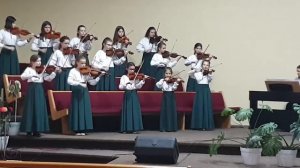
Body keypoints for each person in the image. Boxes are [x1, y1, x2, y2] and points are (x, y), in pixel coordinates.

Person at [20, 55, 56, 136]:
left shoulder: (41, 70)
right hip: (32, 89)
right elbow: (22, 77)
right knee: (31, 108)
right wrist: (32, 75)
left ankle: (37, 130)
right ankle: (29, 129)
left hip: (39, 89)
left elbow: (48, 79)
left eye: (40, 61)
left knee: (39, 108)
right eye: (37, 61)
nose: (39, 63)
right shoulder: (29, 69)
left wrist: (54, 73)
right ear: (32, 62)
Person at [67, 55, 101, 135]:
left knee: (84, 109)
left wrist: (99, 76)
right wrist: (79, 83)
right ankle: (77, 129)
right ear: (77, 62)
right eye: (81, 63)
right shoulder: (73, 71)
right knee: (77, 109)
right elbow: (69, 81)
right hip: (77, 91)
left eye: (84, 63)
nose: (83, 65)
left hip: (85, 92)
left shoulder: (86, 72)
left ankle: (84, 129)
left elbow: (92, 83)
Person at [0, 16, 32, 89]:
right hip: (5, 53)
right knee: (4, 71)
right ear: (9, 23)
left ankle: (13, 91)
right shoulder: (2, 32)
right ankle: (3, 91)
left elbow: (18, 44)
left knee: (13, 71)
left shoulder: (15, 33)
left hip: (13, 53)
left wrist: (27, 40)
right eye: (13, 23)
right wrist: (6, 47)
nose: (15, 25)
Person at [119, 62, 145, 133]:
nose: (132, 71)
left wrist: (142, 82)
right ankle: (126, 128)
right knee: (128, 111)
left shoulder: (135, 77)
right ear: (127, 69)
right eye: (131, 69)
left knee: (135, 111)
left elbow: (137, 87)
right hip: (128, 94)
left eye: (133, 69)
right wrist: (126, 84)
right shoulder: (124, 77)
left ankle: (135, 128)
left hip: (134, 94)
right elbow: (120, 87)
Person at [191, 60, 215, 130]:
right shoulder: (197, 73)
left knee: (207, 106)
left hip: (206, 90)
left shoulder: (208, 74)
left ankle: (207, 125)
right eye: (204, 65)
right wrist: (202, 73)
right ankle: (199, 125)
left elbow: (210, 80)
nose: (205, 66)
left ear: (209, 66)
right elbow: (199, 79)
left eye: (207, 65)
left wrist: (209, 73)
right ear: (202, 66)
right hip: (199, 90)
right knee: (200, 106)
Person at [156, 67, 181, 132]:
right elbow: (158, 85)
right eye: (166, 73)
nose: (168, 75)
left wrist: (176, 83)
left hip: (171, 96)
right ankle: (164, 127)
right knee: (165, 111)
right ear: (164, 74)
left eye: (169, 73)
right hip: (165, 96)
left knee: (171, 111)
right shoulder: (162, 80)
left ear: (171, 74)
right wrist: (163, 81)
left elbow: (173, 88)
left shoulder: (172, 81)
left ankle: (172, 127)